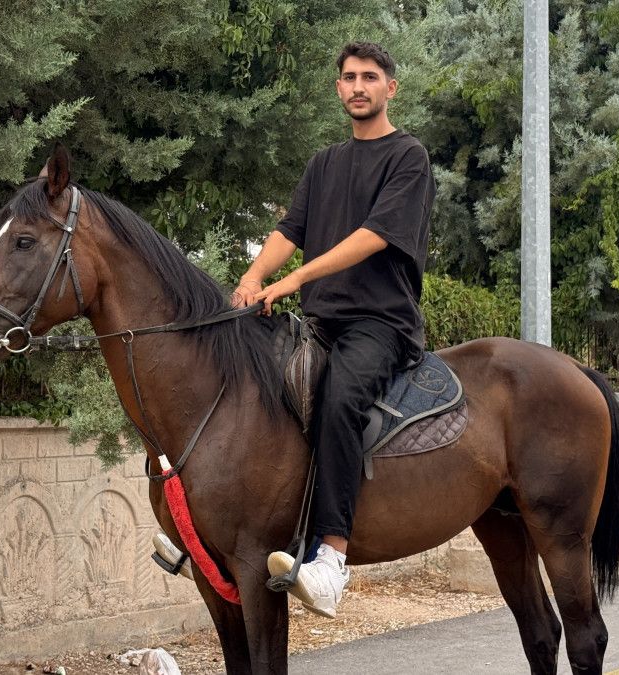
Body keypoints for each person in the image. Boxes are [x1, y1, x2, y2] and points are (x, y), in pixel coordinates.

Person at [152, 41, 434, 619]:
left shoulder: (408, 157)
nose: (359, 87)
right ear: (338, 89)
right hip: (321, 321)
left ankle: (330, 557)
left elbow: (373, 237)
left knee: (338, 399)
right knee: (246, 392)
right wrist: (253, 277)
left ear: (390, 89)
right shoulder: (324, 163)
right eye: (349, 78)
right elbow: (289, 229)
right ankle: (212, 535)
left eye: (370, 78)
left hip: (380, 324)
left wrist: (291, 281)